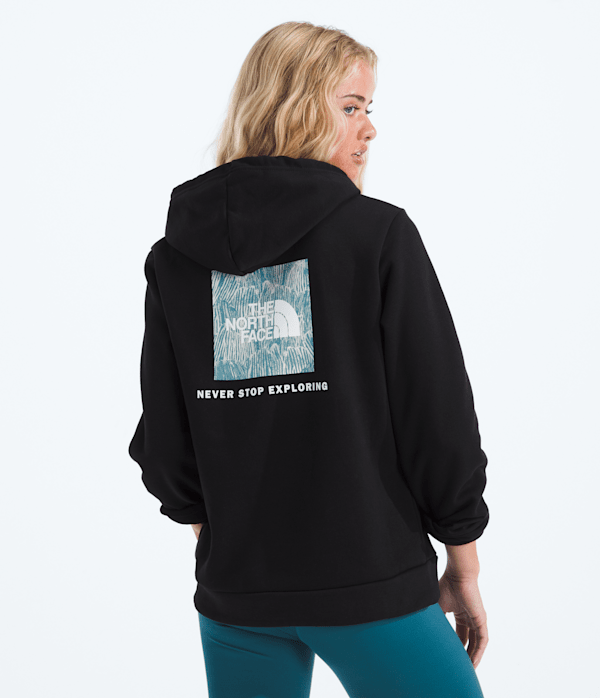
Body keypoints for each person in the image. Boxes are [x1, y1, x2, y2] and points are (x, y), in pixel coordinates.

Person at [128, 20, 490, 698]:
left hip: (237, 598)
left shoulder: (175, 258)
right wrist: (463, 561)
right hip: (372, 586)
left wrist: (232, 544)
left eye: (369, 109)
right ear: (292, 106)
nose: (369, 129)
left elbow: (167, 444)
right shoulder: (377, 236)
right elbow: (437, 418)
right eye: (351, 107)